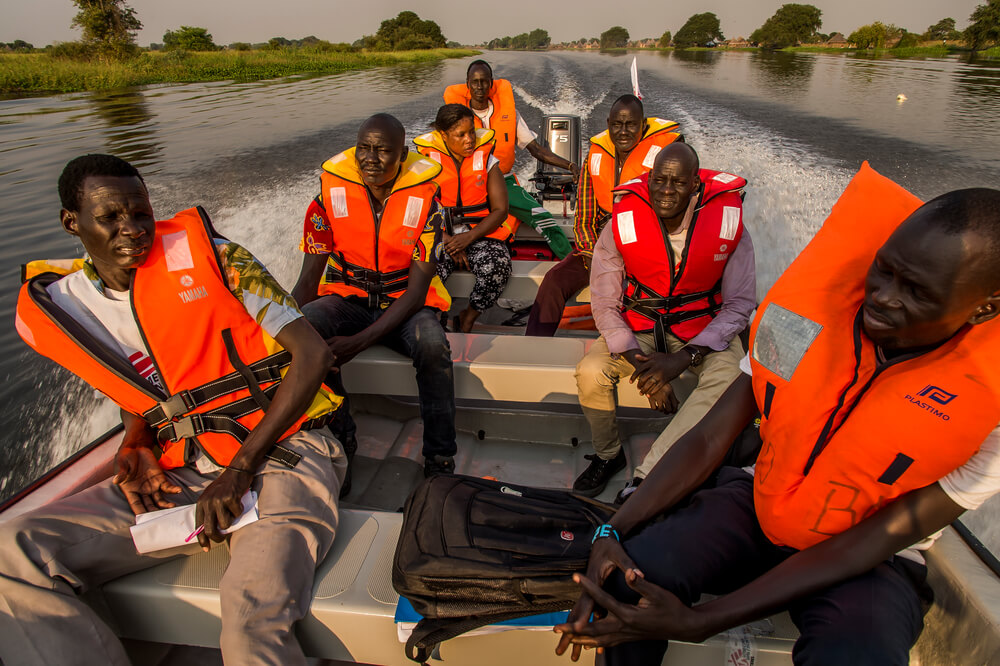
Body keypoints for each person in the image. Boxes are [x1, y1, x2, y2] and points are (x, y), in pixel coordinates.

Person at [554, 166, 1000, 665]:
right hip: (757, 503)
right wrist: (615, 528)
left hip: (871, 555)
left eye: (916, 292)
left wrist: (706, 620)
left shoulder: (991, 409)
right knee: (627, 579)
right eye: (884, 270)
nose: (882, 296)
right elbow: (708, 440)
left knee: (857, 654)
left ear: (984, 309)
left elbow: (877, 538)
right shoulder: (806, 320)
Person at [2, 154, 345, 665]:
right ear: (71, 223)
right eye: (111, 218)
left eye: (140, 213)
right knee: (13, 548)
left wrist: (239, 469)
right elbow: (143, 382)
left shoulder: (220, 258)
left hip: (284, 451)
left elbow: (313, 354)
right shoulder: (69, 305)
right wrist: (137, 438)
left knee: (251, 622)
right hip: (185, 470)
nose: (133, 230)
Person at [572, 142, 755, 499]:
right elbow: (605, 303)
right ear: (648, 180)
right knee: (591, 372)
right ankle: (609, 456)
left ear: (696, 186)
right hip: (639, 326)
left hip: (703, 328)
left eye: (678, 183)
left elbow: (739, 305)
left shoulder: (729, 224)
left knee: (732, 379)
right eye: (659, 180)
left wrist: (683, 359)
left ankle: (646, 479)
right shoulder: (621, 223)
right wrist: (651, 377)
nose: (666, 191)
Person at [292, 113, 458, 479]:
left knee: (432, 345)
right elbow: (308, 280)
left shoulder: (428, 204)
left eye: (383, 150)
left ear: (402, 155)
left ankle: (440, 458)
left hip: (407, 302)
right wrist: (283, 328)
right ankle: (340, 439)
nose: (370, 158)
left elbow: (416, 294)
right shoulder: (327, 196)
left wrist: (358, 342)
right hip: (349, 297)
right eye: (363, 148)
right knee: (309, 330)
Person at [525, 94, 683, 337]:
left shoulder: (666, 157)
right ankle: (534, 345)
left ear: (643, 124)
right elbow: (585, 217)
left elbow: (677, 216)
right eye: (617, 124)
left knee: (638, 295)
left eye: (631, 124)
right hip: (599, 247)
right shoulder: (596, 156)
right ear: (608, 123)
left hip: (648, 250)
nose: (623, 131)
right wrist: (593, 254)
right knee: (553, 281)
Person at [444, 59, 576, 259]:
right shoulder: (456, 117)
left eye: (484, 81)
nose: (479, 87)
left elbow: (536, 150)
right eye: (475, 82)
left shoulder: (510, 114)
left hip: (502, 181)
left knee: (544, 218)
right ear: (467, 84)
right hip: (468, 183)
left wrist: (570, 165)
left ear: (491, 83)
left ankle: (572, 264)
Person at [414, 103, 512, 333]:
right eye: (461, 135)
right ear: (443, 135)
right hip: (438, 235)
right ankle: (434, 321)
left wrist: (469, 237)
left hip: (480, 233)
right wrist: (446, 239)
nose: (470, 139)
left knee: (498, 267)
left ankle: (468, 315)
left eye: (471, 132)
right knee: (424, 273)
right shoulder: (423, 164)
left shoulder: (487, 160)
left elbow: (500, 210)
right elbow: (415, 210)